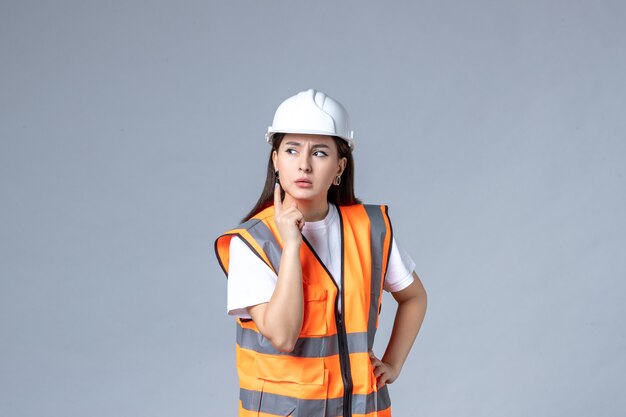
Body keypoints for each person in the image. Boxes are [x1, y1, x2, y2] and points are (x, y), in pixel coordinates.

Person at [214, 88, 427, 417]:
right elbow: (283, 337)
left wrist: (393, 363)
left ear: (340, 166)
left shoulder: (369, 228)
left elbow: (414, 297)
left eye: (320, 153)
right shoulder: (253, 243)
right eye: (291, 149)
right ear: (275, 160)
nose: (304, 165)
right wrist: (292, 245)